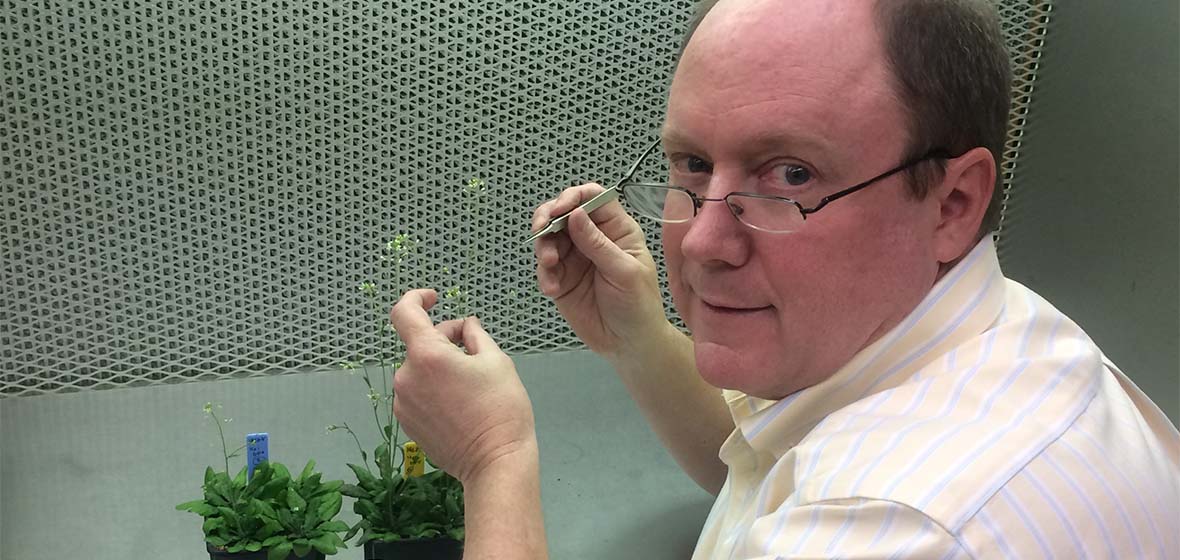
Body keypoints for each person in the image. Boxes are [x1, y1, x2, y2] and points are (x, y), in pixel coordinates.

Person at [388, 0, 1180, 557]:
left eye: (791, 174)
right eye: (693, 163)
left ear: (953, 201)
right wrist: (636, 338)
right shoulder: (981, 331)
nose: (701, 242)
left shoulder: (899, 530)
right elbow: (763, 459)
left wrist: (494, 459)